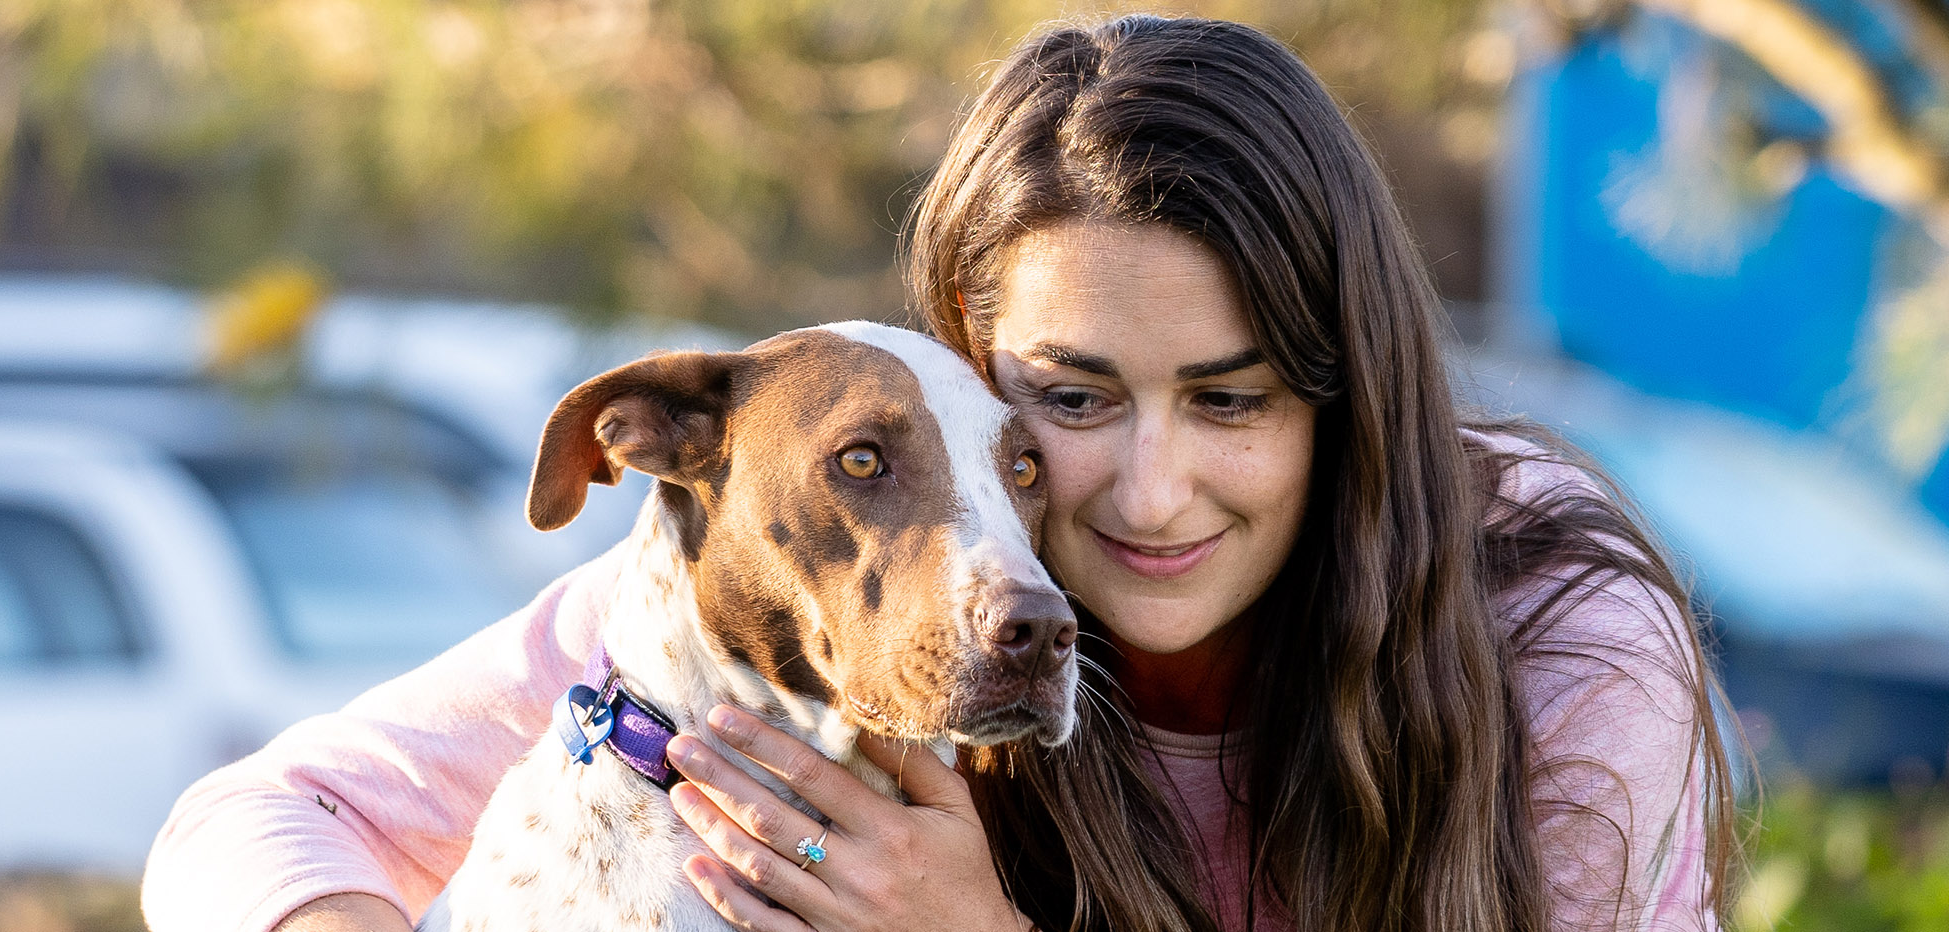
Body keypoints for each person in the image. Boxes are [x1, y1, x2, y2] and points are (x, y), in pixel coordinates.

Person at [141, 15, 1734, 932]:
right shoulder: (769, 618)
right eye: (1071, 402)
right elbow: (250, 823)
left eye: (1233, 400)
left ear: (1350, 388)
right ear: (973, 359)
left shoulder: (1550, 630)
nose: (1149, 492)